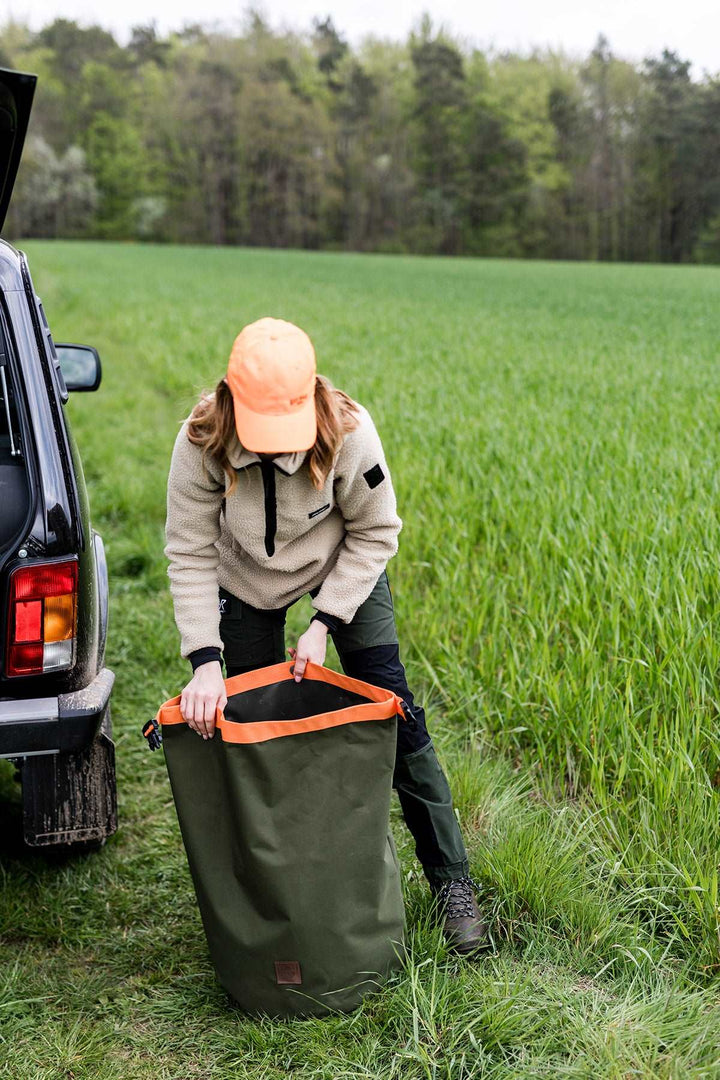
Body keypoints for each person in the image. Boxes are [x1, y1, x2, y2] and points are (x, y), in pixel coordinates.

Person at [163, 316, 488, 955]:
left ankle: (453, 884)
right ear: (231, 404)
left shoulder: (349, 433)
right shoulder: (199, 442)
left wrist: (324, 623)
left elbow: (377, 532)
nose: (274, 455)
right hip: (246, 581)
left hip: (341, 570)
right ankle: (278, 890)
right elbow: (189, 551)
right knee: (253, 733)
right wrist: (206, 660)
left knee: (395, 713)